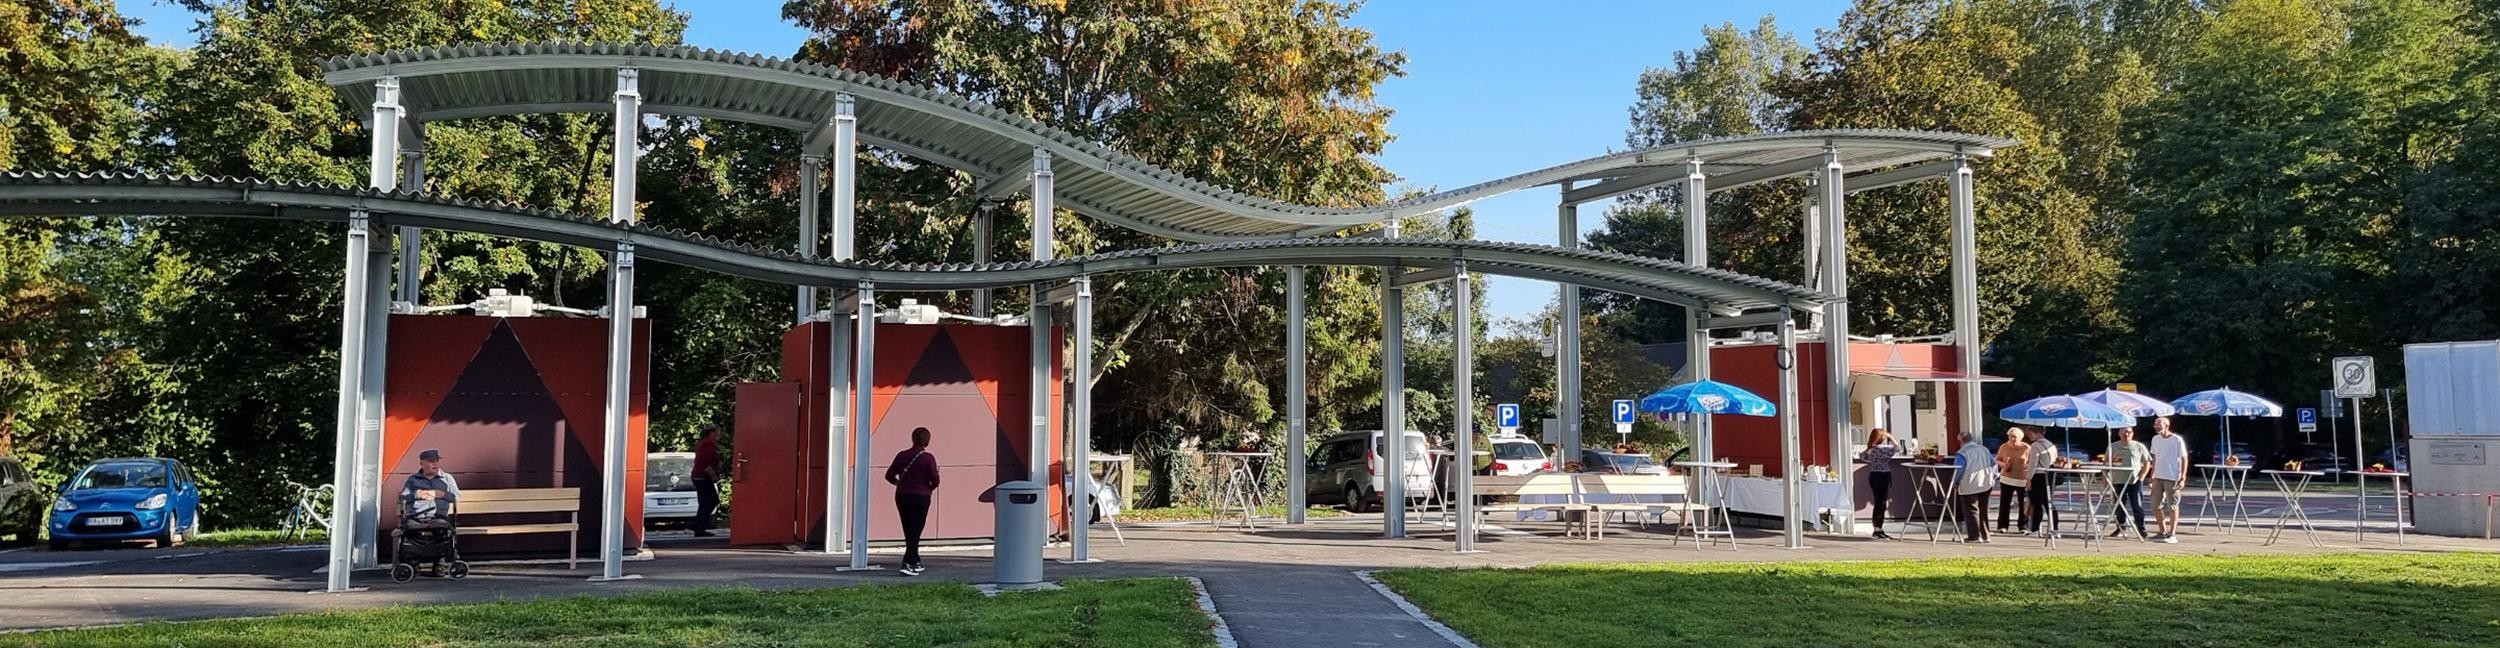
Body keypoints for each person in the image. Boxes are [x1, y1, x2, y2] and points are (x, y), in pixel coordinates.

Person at [884, 426, 941, 576]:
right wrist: (929, 488)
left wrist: (900, 484)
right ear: (927, 441)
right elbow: (935, 479)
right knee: (916, 528)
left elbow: (889, 475)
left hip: (902, 495)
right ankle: (908, 562)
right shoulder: (928, 458)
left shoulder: (902, 455)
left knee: (908, 527)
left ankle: (915, 559)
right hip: (921, 496)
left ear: (913, 439)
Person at [2147, 417, 2190, 543]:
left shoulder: (2177, 440)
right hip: (2158, 476)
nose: (2156, 426)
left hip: (2173, 477)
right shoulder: (2155, 439)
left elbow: (2184, 458)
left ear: (2167, 425)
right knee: (2155, 505)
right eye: (2155, 424)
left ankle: (2172, 534)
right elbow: (2155, 459)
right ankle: (2162, 531)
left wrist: (2182, 477)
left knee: (2172, 505)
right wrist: (2152, 475)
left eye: (2159, 424)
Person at [2105, 427, 2152, 540]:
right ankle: (2121, 527)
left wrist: (2141, 477)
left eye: (2129, 432)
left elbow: (2147, 463)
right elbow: (2106, 462)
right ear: (2119, 433)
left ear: (2132, 434)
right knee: (2119, 506)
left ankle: (2141, 529)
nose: (2126, 434)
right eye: (2124, 432)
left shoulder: (2139, 447)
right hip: (2117, 480)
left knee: (2137, 506)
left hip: (2134, 481)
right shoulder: (2113, 446)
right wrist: (2105, 479)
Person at [1951, 434, 1998, 543]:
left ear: (1961, 441)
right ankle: (1986, 535)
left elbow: (1958, 470)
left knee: (1971, 510)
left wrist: (1955, 482)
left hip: (1969, 483)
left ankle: (1974, 536)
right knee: (1983, 509)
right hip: (1986, 483)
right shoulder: (1984, 449)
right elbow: (1993, 464)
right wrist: (1994, 476)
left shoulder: (1962, 453)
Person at [1858, 428, 1900, 540]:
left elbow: (1862, 456)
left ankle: (1877, 528)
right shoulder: (1883, 450)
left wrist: (1870, 449)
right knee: (1881, 503)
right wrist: (1891, 437)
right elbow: (1897, 448)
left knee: (1878, 502)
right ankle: (1878, 529)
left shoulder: (1871, 450)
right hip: (1883, 476)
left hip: (1873, 475)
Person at [401, 449, 460, 522]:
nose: (435, 464)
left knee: (441, 525)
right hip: (416, 517)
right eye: (431, 461)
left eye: (437, 461)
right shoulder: (413, 479)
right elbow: (403, 498)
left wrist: (443, 495)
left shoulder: (447, 478)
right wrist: (417, 494)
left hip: (439, 517)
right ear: (421, 464)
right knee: (410, 527)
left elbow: (456, 497)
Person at [1995, 427, 2034, 535]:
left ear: (2020, 438)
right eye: (2010, 436)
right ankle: (2002, 526)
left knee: (2023, 504)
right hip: (2007, 478)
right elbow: (1997, 459)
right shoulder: (2004, 446)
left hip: (2022, 479)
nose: (2012, 439)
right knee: (2004, 503)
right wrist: (2004, 465)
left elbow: (2031, 462)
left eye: (2014, 437)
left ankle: (2023, 526)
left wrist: (2026, 467)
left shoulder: (2026, 448)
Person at [691, 425, 724, 537]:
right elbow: (704, 462)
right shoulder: (707, 444)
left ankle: (699, 526)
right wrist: (713, 474)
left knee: (707, 502)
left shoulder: (708, 444)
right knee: (710, 501)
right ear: (711, 433)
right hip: (702, 476)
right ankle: (699, 526)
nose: (719, 434)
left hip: (701, 476)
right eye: (717, 432)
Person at [2025, 428, 2057, 534]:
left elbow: (2033, 464)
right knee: (2048, 502)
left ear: (2037, 433)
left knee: (2036, 503)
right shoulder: (2051, 445)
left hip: (2038, 475)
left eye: (2031, 434)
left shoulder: (2035, 446)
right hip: (2050, 474)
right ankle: (2055, 527)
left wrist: (2028, 478)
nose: (2030, 436)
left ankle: (2035, 528)